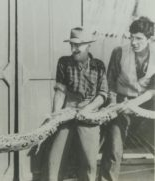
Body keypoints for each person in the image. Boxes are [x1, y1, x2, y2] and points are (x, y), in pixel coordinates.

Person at [41, 27, 108, 181]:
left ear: (88, 45)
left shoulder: (99, 66)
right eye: (72, 45)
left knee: (89, 160)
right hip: (68, 111)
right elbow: (60, 92)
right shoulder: (64, 62)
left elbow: (102, 95)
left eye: (78, 45)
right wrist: (55, 116)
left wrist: (87, 109)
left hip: (89, 112)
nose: (74, 48)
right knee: (54, 157)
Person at [99, 16, 155, 181]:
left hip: (146, 104)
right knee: (114, 147)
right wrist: (114, 106)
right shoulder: (119, 52)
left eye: (139, 38)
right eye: (131, 37)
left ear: (150, 39)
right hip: (121, 103)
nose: (133, 42)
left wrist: (135, 105)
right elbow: (110, 83)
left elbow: (153, 90)